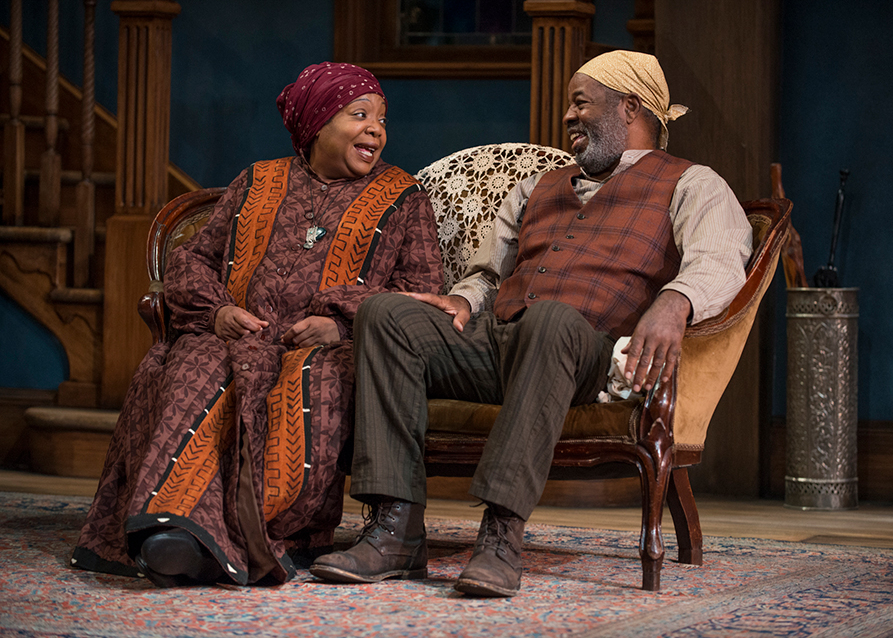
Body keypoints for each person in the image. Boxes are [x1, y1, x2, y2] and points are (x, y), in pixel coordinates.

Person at [308, 50, 753, 597]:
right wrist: (465, 301)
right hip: (503, 341)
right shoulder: (540, 186)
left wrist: (675, 301)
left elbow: (722, 258)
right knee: (385, 313)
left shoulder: (692, 183)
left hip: (589, 353)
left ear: (630, 107)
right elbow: (487, 271)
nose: (568, 116)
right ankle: (395, 530)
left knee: (551, 321)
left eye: (581, 103)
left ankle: (500, 535)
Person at [71, 63, 444, 587]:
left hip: (330, 348)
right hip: (237, 333)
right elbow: (191, 259)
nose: (376, 129)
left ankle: (245, 535)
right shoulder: (257, 180)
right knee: (194, 364)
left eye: (382, 119)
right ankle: (173, 527)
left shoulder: (404, 197)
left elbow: (423, 294)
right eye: (359, 115)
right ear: (317, 124)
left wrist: (342, 326)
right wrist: (218, 311)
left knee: (312, 383)